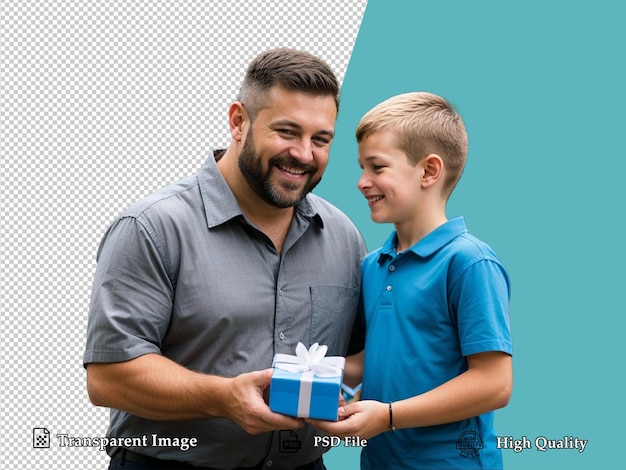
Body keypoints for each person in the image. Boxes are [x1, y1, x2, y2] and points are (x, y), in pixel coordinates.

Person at [83, 48, 366, 470]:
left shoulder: (344, 236)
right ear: (238, 121)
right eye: (287, 132)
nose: (304, 154)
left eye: (320, 139)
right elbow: (108, 377)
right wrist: (223, 398)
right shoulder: (151, 228)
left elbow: (358, 360)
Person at [308, 92, 513, 469]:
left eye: (377, 167)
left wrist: (387, 416)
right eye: (361, 167)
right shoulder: (372, 265)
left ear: (429, 171)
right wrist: (303, 376)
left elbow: (494, 383)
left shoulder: (469, 263)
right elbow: (382, 357)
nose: (361, 182)